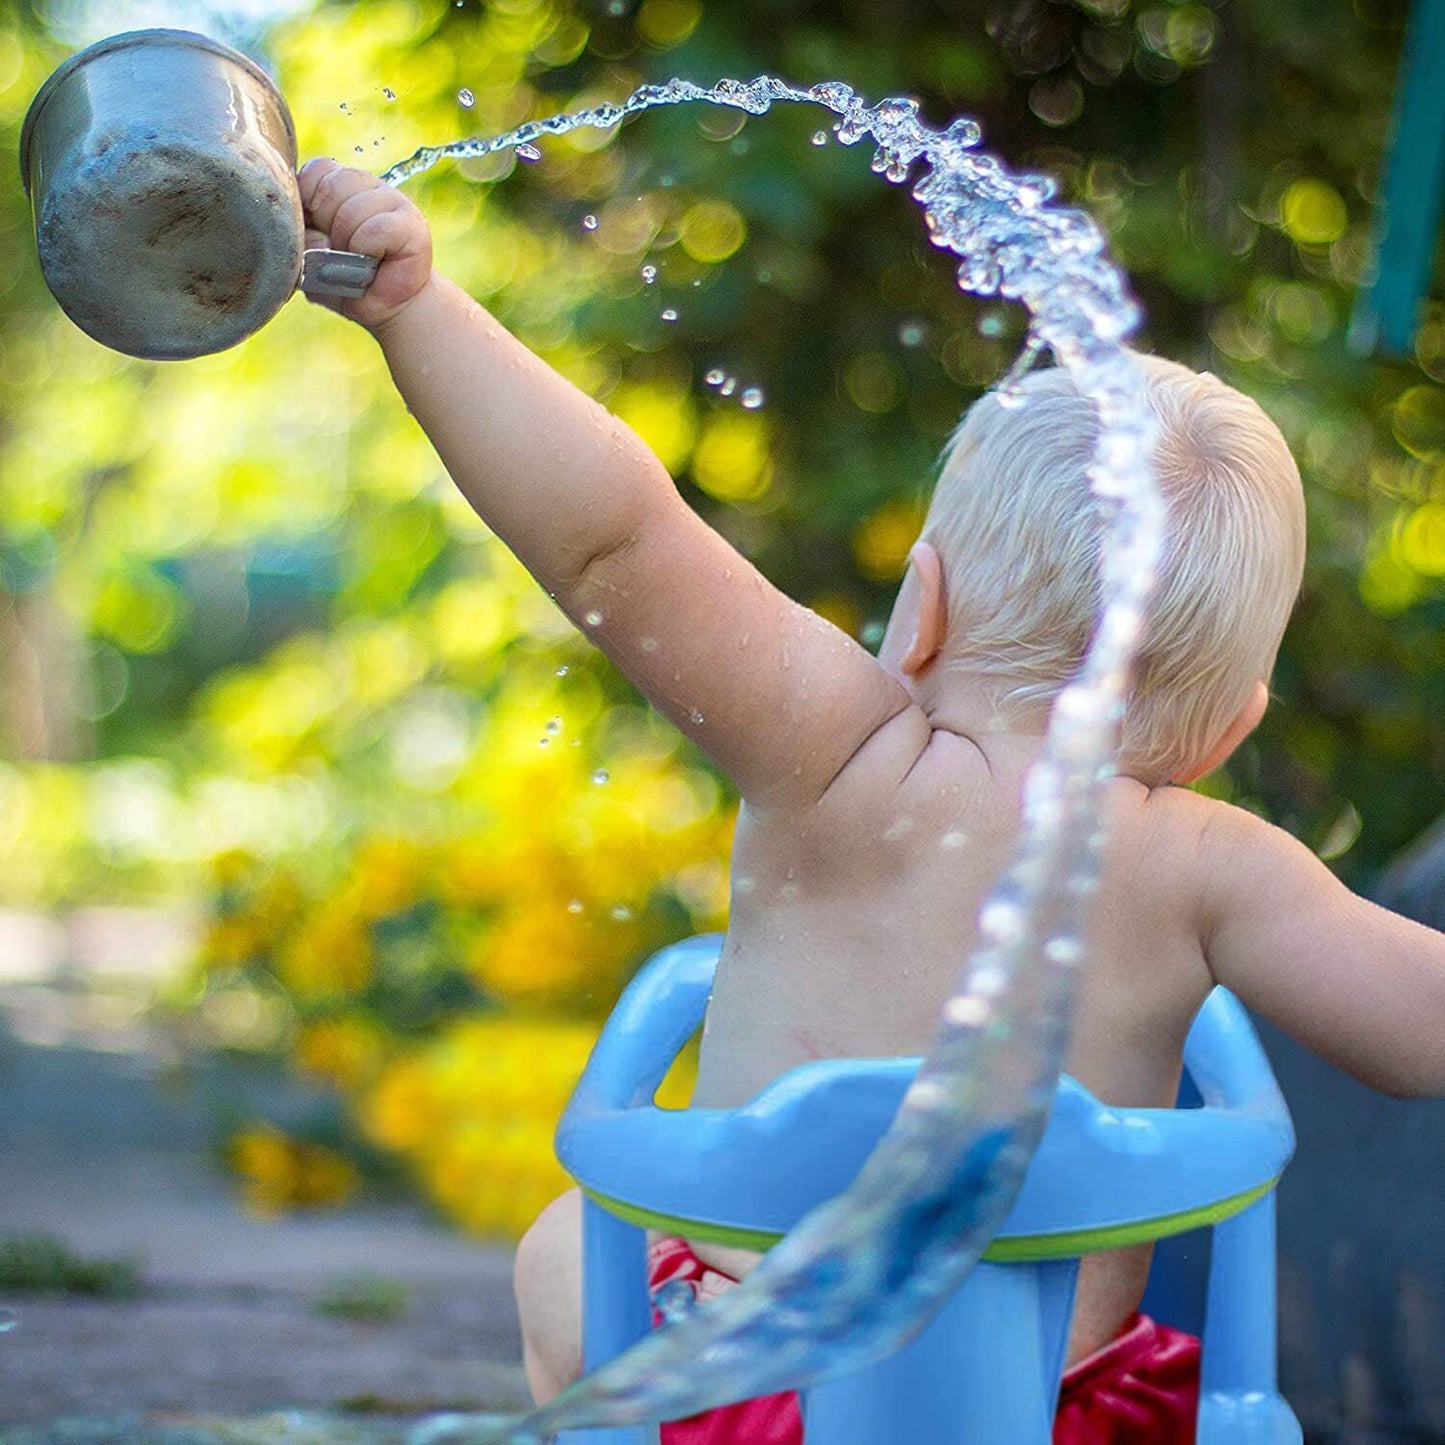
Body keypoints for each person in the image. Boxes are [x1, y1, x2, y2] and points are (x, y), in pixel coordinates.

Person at [296, 159, 1445, 1444]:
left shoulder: (833, 757)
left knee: (573, 1244)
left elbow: (610, 535)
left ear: (920, 607)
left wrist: (417, 309)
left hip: (758, 1402)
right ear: (1233, 721)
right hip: (1078, 1416)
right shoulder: (1215, 868)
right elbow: (1421, 1032)